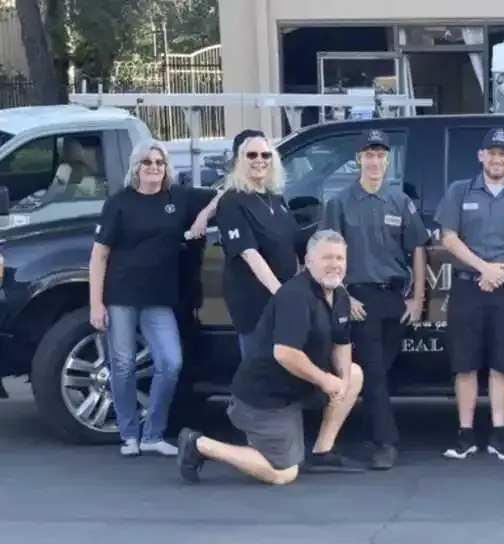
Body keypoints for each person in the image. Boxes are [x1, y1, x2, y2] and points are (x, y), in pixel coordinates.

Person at [177, 230, 366, 484]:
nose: (335, 265)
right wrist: (326, 381)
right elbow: (285, 353)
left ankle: (322, 452)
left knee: (353, 374)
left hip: (300, 386)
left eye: (340, 259)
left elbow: (341, 342)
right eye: (327, 258)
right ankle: (199, 444)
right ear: (308, 262)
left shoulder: (340, 294)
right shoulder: (295, 296)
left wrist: (340, 380)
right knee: (283, 473)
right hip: (265, 398)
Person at [88, 139, 221, 457]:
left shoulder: (178, 197)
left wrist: (202, 218)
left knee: (171, 363)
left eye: (159, 162)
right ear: (136, 167)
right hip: (121, 294)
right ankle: (129, 435)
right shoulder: (119, 203)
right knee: (122, 366)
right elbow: (99, 255)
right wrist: (96, 303)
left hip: (160, 297)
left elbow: (222, 195)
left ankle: (154, 434)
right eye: (147, 162)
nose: (154, 168)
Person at [318, 129, 429, 470]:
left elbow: (418, 247)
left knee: (378, 371)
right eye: (369, 155)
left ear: (387, 160)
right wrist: (344, 297)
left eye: (381, 155)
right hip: (358, 301)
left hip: (394, 300)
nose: (375, 161)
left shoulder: (399, 201)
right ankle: (386, 442)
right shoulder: (340, 202)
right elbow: (329, 254)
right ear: (358, 160)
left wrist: (418, 297)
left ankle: (366, 435)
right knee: (376, 372)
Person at [434, 127, 504, 460]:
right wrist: (484, 268)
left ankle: (499, 434)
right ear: (481, 156)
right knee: (464, 363)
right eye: (492, 152)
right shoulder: (460, 191)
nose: (497, 159)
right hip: (468, 285)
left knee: (502, 363)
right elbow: (449, 238)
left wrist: (502, 271)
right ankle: (465, 434)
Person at [217, 131, 302, 357]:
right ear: (240, 160)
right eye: (251, 155)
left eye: (266, 155)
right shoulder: (231, 201)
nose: (259, 160)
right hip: (253, 301)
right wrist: (280, 293)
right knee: (258, 370)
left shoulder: (275, 198)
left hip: (281, 299)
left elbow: (293, 243)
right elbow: (249, 254)